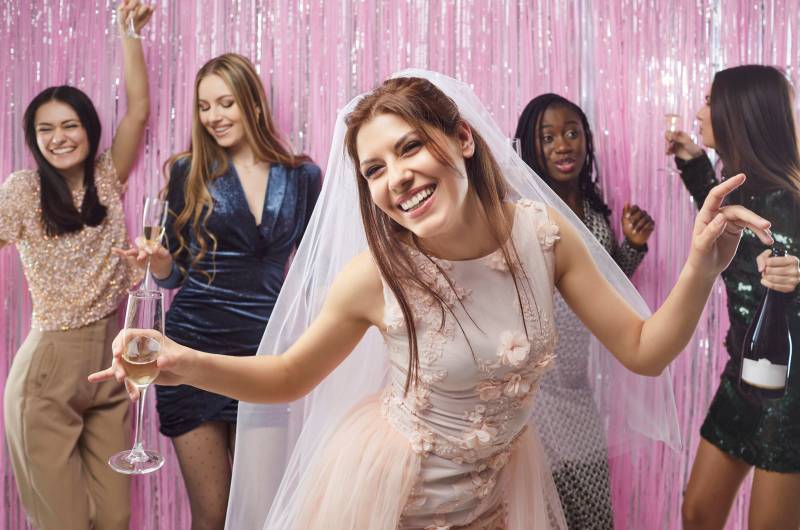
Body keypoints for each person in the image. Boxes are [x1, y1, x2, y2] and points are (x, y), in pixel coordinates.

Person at [93, 71, 772, 530]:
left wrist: (701, 265)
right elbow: (290, 375)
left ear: (463, 139)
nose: (397, 178)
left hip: (501, 494)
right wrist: (181, 362)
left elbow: (644, 350)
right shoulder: (375, 276)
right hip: (396, 498)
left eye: (410, 147)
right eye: (375, 169)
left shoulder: (541, 234)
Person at [114, 53, 321, 530]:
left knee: (261, 514)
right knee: (211, 515)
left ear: (253, 103)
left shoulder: (303, 177)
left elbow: (316, 268)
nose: (214, 116)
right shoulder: (188, 171)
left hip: (265, 357)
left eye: (226, 103)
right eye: (204, 106)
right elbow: (174, 275)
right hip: (192, 348)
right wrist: (160, 263)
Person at [0, 2, 153, 529]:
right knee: (64, 522)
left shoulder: (107, 177)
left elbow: (138, 111)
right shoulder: (22, 191)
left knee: (114, 517)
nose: (58, 137)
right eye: (45, 129)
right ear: (34, 138)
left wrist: (128, 32)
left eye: (69, 125)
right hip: (48, 371)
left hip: (110, 366)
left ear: (89, 130)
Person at [666, 64, 800, 530]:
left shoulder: (788, 201)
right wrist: (691, 160)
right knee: (698, 513)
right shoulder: (745, 192)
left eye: (708, 101)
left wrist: (792, 277)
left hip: (792, 396)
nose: (699, 112)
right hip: (742, 379)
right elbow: (719, 217)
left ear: (737, 113)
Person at [514, 93, 655, 529]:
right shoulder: (521, 208)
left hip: (574, 387)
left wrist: (632, 247)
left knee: (592, 510)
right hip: (531, 390)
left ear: (586, 141)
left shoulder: (594, 212)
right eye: (548, 137)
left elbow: (603, 291)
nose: (563, 145)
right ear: (531, 145)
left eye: (572, 133)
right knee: (539, 509)